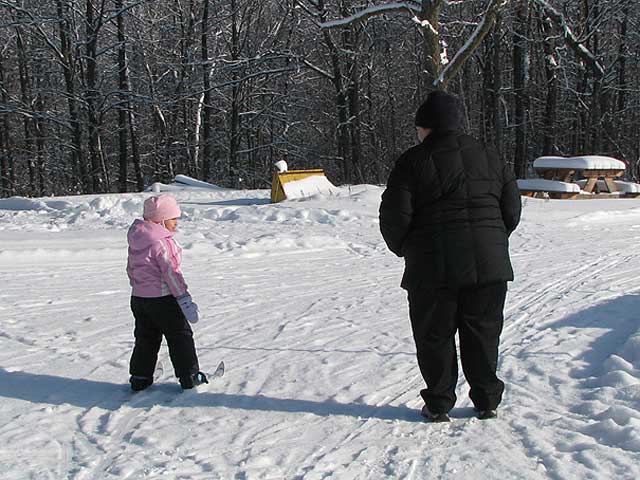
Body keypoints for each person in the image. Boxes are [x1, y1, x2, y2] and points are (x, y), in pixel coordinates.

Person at [379, 90, 521, 422]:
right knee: (483, 332)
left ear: (426, 126)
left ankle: (440, 402)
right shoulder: (491, 155)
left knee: (435, 335)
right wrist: (493, 240)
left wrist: (406, 249)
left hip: (432, 268)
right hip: (489, 266)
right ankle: (486, 399)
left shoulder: (413, 161)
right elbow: (511, 209)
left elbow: (394, 217)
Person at [126, 194, 207, 391]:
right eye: (173, 218)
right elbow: (172, 274)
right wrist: (184, 300)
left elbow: (130, 268)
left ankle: (140, 377)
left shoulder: (138, 239)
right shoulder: (162, 242)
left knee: (146, 337)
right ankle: (190, 376)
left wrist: (139, 287)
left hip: (139, 299)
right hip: (163, 299)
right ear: (160, 220)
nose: (176, 223)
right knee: (179, 335)